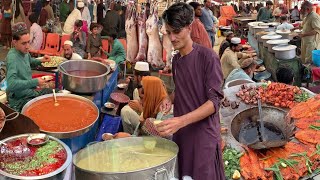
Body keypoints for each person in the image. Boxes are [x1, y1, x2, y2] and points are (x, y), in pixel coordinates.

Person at [158, 3, 225, 179]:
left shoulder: (208, 57)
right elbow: (183, 89)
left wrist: (181, 121)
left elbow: (214, 103)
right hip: (182, 133)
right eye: (168, 32)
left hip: (203, 135)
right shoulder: (176, 61)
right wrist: (169, 98)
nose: (172, 38)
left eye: (176, 32)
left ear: (189, 28)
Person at [6, 22, 52, 112]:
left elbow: (30, 61)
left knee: (52, 94)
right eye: (24, 43)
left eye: (28, 42)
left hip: (29, 92)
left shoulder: (24, 52)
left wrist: (41, 60)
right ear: (14, 42)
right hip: (20, 99)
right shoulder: (12, 58)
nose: (28, 47)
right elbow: (11, 84)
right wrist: (35, 82)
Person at [121, 62, 150, 134]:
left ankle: (129, 137)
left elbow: (153, 116)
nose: (134, 78)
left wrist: (140, 109)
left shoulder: (151, 88)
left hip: (150, 124)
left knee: (125, 111)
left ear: (139, 77)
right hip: (143, 114)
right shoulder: (141, 86)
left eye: (134, 76)